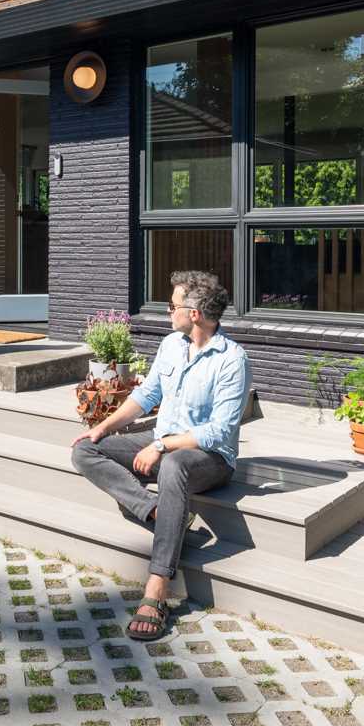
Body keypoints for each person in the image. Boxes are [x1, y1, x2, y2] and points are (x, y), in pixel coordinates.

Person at [71, 270, 248, 641]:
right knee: (86, 450)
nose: (168, 311)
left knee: (174, 464)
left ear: (195, 312)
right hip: (160, 441)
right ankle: (156, 513)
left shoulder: (232, 359)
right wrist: (102, 427)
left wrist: (161, 446)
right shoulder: (171, 344)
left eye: (173, 305)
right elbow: (146, 396)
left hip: (208, 458)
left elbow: (218, 431)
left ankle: (156, 590)